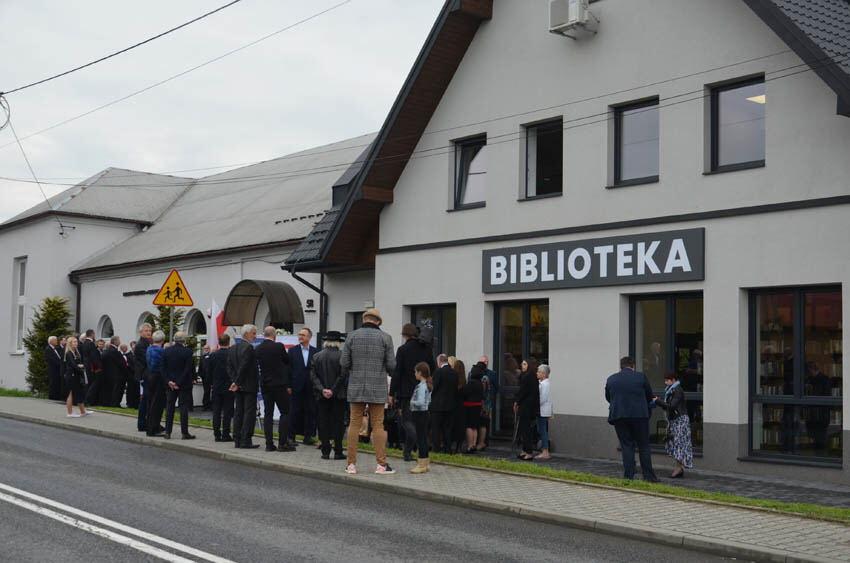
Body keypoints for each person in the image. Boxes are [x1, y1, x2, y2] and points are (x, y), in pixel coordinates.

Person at [340, 309, 396, 475]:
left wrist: (355, 370)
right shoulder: (386, 338)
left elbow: (344, 362)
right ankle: (381, 465)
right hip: (377, 387)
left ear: (364, 319)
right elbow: (391, 365)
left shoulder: (352, 336)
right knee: (378, 425)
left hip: (356, 385)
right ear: (378, 322)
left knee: (354, 424)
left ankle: (351, 464)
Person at [605, 356, 659, 482]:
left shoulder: (611, 379)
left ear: (621, 366)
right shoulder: (641, 377)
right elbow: (649, 396)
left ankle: (628, 476)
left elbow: (608, 397)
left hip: (619, 416)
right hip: (639, 416)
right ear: (633, 366)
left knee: (626, 446)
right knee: (643, 446)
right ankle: (649, 477)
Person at [391, 323, 435, 462]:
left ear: (405, 335)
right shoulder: (426, 348)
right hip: (423, 391)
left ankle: (413, 445)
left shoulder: (402, 350)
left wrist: (391, 392)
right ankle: (408, 453)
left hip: (407, 392)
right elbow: (432, 368)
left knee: (407, 422)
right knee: (419, 421)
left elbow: (397, 373)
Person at [255, 326, 296, 452]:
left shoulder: (258, 348)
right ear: (274, 335)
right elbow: (287, 360)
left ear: (264, 335)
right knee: (285, 412)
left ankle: (269, 444)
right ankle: (282, 443)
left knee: (268, 413)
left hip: (265, 384)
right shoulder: (278, 346)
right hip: (279, 384)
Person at [311, 330, 347, 460]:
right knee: (338, 423)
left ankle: (325, 451)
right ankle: (338, 451)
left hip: (321, 396)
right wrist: (333, 390)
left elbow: (313, 376)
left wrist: (322, 390)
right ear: (338, 342)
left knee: (323, 422)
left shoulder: (317, 356)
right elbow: (343, 376)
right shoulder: (342, 356)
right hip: (338, 396)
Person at [653, 372, 693, 478]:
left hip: (680, 421)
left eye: (667, 380)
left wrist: (657, 401)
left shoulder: (677, 390)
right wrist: (659, 402)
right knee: (675, 444)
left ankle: (679, 468)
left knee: (679, 444)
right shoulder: (670, 390)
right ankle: (679, 467)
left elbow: (672, 406)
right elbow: (668, 406)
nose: (665, 382)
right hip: (675, 420)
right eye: (665, 380)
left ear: (673, 380)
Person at [229, 324, 260, 449]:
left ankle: (237, 439)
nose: (255, 336)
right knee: (248, 413)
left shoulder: (233, 347)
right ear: (247, 334)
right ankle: (245, 440)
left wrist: (235, 382)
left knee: (238, 412)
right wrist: (237, 382)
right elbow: (244, 366)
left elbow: (229, 367)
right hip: (248, 385)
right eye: (254, 333)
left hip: (238, 386)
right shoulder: (249, 348)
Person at [162, 332, 196, 440]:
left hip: (170, 385)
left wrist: (169, 381)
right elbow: (187, 369)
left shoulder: (166, 351)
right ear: (184, 340)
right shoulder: (188, 352)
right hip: (184, 384)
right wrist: (178, 382)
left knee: (169, 408)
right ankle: (184, 433)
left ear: (174, 339)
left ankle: (168, 432)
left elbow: (162, 368)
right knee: (183, 408)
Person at [288, 327, 318, 445]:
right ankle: (291, 437)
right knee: (294, 411)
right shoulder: (292, 351)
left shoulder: (315, 351)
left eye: (303, 335)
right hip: (296, 386)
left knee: (310, 411)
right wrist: (288, 386)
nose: (300, 337)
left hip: (311, 387)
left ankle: (308, 436)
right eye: (299, 334)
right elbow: (288, 369)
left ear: (309, 337)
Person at [208, 334, 234, 442]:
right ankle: (226, 434)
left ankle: (217, 434)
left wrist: (211, 383)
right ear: (229, 342)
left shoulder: (213, 355)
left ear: (219, 342)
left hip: (216, 386)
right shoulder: (231, 354)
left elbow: (208, 371)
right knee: (227, 412)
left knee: (216, 411)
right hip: (229, 386)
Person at [429, 354, 457, 454]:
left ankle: (436, 448)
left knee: (436, 428)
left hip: (437, 406)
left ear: (439, 361)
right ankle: (447, 449)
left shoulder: (439, 372)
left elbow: (434, 387)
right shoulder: (454, 373)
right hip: (450, 405)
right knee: (447, 428)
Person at [514, 358, 539, 461]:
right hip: (528, 406)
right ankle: (525, 450)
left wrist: (517, 402)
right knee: (524, 429)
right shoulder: (530, 376)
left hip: (527, 407)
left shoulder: (528, 376)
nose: (522, 365)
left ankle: (528, 452)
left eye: (524, 364)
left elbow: (523, 391)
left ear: (529, 365)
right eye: (522, 364)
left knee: (526, 430)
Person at [409, 362, 432, 474]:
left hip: (420, 414)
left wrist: (412, 402)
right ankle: (425, 463)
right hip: (424, 414)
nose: (414, 374)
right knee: (423, 438)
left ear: (420, 373)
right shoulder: (425, 385)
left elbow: (421, 402)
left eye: (415, 372)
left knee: (421, 439)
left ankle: (421, 464)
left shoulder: (422, 386)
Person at [145, 331, 167, 437]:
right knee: (157, 404)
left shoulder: (149, 349)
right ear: (162, 340)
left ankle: (152, 425)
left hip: (150, 376)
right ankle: (153, 429)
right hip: (158, 378)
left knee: (151, 402)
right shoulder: (161, 351)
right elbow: (161, 366)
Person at [463, 363, 486, 454]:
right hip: (477, 406)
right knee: (475, 427)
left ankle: (470, 446)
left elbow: (464, 392)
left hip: (469, 406)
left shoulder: (471, 383)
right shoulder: (480, 383)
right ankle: (474, 444)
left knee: (469, 426)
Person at [133, 324, 153, 431]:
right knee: (145, 401)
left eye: (150, 330)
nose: (148, 332)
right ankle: (142, 424)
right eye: (146, 330)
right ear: (141, 332)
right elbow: (147, 360)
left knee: (147, 400)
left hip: (148, 375)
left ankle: (148, 422)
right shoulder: (141, 345)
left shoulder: (148, 343)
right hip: (144, 376)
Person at [63, 336, 88, 418]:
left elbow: (79, 363)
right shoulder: (69, 353)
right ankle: (70, 413)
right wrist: (80, 367)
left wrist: (81, 366)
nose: (76, 343)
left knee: (79, 393)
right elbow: (73, 365)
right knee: (70, 394)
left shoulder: (76, 352)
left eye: (76, 341)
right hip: (71, 376)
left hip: (76, 375)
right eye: (74, 342)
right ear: (70, 343)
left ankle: (83, 411)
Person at [100, 336, 125, 407]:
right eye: (119, 340)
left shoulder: (106, 351)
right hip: (115, 374)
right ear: (115, 341)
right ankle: (114, 403)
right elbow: (121, 363)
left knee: (108, 390)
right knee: (115, 390)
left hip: (106, 373)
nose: (120, 342)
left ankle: (107, 402)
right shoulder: (115, 351)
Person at [449, 358, 467, 454]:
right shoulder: (464, 382)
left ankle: (452, 446)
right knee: (460, 427)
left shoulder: (452, 380)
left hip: (452, 406)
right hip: (462, 407)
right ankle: (459, 447)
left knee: (452, 426)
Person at [536, 364, 552, 461]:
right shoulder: (541, 383)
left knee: (542, 431)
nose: (537, 373)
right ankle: (544, 450)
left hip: (542, 411)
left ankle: (545, 452)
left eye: (539, 372)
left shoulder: (545, 384)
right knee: (541, 430)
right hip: (541, 410)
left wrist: (534, 405)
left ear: (544, 374)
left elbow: (542, 399)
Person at [45, 335, 64, 401]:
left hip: (57, 369)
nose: (57, 341)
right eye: (55, 340)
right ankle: (52, 397)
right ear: (51, 341)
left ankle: (57, 396)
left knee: (57, 383)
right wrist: (60, 364)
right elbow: (52, 360)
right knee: (53, 383)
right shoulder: (48, 349)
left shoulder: (55, 348)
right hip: (53, 369)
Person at [197, 345, 212, 411]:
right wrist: (200, 375)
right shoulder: (202, 357)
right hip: (204, 377)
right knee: (206, 391)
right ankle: (205, 405)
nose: (206, 349)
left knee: (211, 391)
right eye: (205, 348)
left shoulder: (212, 356)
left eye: (207, 348)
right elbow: (200, 367)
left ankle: (210, 405)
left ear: (209, 349)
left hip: (211, 377)